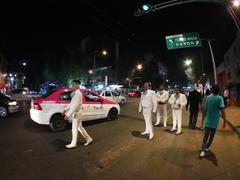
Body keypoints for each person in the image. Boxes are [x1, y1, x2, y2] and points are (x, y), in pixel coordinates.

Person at [63, 80, 93, 149]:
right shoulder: (75, 93)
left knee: (74, 128)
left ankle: (73, 144)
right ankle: (89, 139)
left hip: (77, 113)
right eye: (72, 84)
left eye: (73, 84)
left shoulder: (78, 94)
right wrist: (65, 110)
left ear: (77, 85)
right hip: (77, 113)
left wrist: (67, 115)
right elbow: (71, 103)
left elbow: (75, 106)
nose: (71, 86)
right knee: (79, 127)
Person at [199, 85, 226, 158]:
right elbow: (223, 110)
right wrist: (224, 121)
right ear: (218, 91)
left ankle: (203, 150)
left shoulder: (208, 98)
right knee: (212, 136)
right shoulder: (220, 98)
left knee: (206, 136)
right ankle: (207, 146)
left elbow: (205, 109)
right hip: (215, 121)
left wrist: (204, 117)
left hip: (208, 120)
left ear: (212, 90)